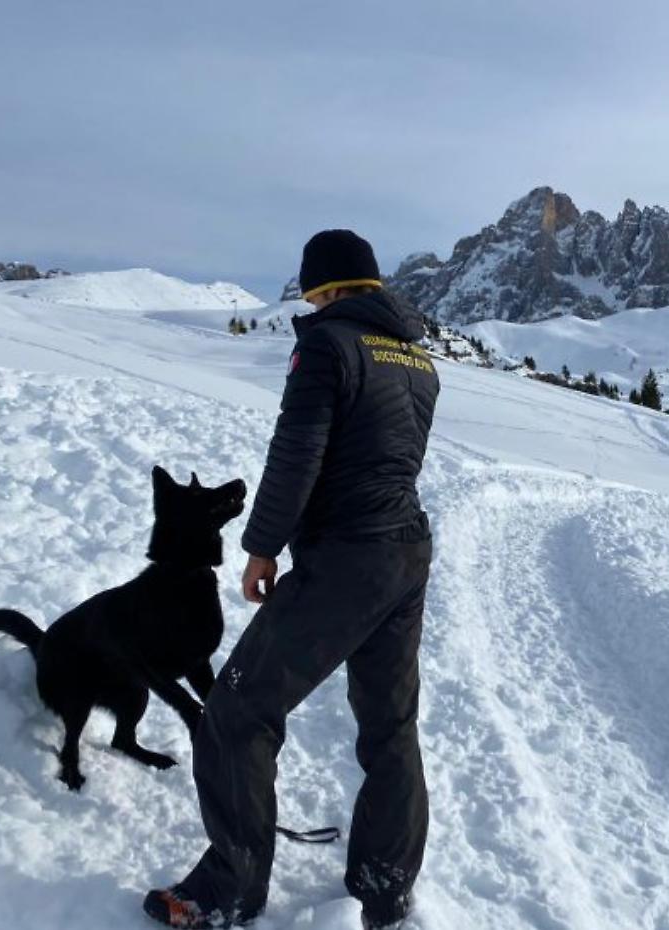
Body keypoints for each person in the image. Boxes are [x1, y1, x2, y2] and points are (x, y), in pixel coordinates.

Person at [143, 230, 440, 929]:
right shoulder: (419, 358)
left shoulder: (327, 346)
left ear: (322, 287)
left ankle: (227, 890)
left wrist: (261, 548)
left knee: (236, 715)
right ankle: (385, 885)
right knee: (390, 727)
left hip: (347, 558)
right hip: (406, 552)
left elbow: (297, 453)